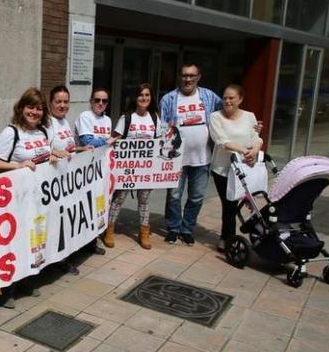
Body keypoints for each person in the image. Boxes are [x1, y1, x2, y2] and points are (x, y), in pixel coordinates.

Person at [0, 87, 61, 307]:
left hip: (37, 197)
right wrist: (18, 166)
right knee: (14, 241)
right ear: (21, 108)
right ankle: (8, 290)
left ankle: (28, 280)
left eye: (39, 108)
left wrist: (57, 156)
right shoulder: (11, 133)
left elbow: (46, 155)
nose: (35, 112)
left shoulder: (44, 132)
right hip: (13, 199)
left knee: (33, 238)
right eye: (30, 106)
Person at [159, 63, 223, 246]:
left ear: (198, 77)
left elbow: (227, 112)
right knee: (174, 196)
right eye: (185, 75)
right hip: (176, 158)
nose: (188, 79)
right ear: (180, 76)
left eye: (192, 75)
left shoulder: (209, 96)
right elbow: (163, 129)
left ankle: (186, 229)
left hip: (202, 158)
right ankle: (173, 228)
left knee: (196, 197)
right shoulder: (169, 99)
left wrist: (250, 124)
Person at [105, 83, 161, 250]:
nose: (144, 98)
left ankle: (144, 232)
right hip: (127, 168)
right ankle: (109, 229)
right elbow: (114, 138)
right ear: (135, 98)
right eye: (141, 95)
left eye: (147, 95)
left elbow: (161, 142)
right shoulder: (127, 118)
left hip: (146, 168)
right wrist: (100, 146)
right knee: (119, 199)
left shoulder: (155, 118)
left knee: (144, 200)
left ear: (151, 98)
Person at [208, 84, 263, 251]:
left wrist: (255, 150)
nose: (227, 101)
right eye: (225, 97)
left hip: (245, 167)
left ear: (240, 99)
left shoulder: (249, 116)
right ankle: (228, 239)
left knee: (244, 203)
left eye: (231, 98)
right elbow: (221, 141)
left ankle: (235, 236)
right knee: (229, 204)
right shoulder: (215, 117)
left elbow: (256, 137)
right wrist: (243, 150)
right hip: (222, 169)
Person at [46, 85, 83, 274]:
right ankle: (56, 261)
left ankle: (64, 257)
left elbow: (70, 148)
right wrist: (53, 153)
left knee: (66, 222)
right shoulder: (48, 123)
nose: (62, 105)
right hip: (54, 184)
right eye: (58, 101)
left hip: (68, 183)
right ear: (50, 103)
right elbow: (43, 150)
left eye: (65, 102)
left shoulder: (65, 122)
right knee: (55, 224)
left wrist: (84, 150)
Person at [75, 87, 116, 255]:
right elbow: (88, 142)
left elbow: (102, 145)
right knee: (84, 207)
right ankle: (81, 246)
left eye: (104, 101)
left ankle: (91, 243)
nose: (100, 103)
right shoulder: (85, 117)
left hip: (100, 171)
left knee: (96, 206)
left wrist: (105, 142)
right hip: (84, 169)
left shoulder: (107, 120)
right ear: (91, 101)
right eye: (97, 100)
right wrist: (109, 140)